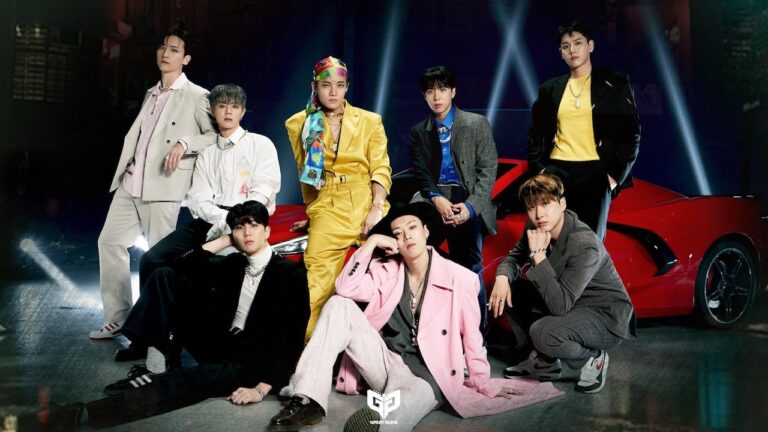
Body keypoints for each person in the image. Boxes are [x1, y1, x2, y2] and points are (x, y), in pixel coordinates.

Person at [268, 203, 562, 432]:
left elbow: (473, 339)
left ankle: (377, 425)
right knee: (338, 304)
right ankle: (307, 400)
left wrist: (483, 382)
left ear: (426, 232)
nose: (407, 235)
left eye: (412, 227)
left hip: (428, 375)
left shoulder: (460, 279)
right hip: (386, 364)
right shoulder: (385, 270)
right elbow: (345, 288)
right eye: (398, 232)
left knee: (401, 410)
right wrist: (371, 243)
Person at [40, 201, 309, 430]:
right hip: (223, 342)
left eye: (254, 226)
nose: (247, 233)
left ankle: (83, 414)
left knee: (183, 383)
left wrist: (262, 388)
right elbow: (180, 266)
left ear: (267, 231)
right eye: (240, 227)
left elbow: (292, 337)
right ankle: (154, 354)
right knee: (165, 276)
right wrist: (225, 240)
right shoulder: (235, 263)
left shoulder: (290, 274)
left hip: (250, 362)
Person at [118, 83, 281, 361]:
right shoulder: (207, 152)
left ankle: (174, 342)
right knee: (152, 260)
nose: (228, 111)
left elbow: (264, 188)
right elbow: (198, 199)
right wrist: (222, 219)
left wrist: (236, 222)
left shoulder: (260, 144)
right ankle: (145, 341)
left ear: (242, 111)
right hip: (210, 220)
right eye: (222, 106)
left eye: (234, 106)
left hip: (246, 222)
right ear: (213, 111)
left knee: (191, 273)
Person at [92, 25, 217, 339]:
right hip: (131, 183)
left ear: (186, 58)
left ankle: (157, 325)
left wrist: (184, 143)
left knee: (160, 257)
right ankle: (118, 317)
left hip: (163, 188)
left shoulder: (197, 96)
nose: (166, 53)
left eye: (174, 49)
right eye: (163, 47)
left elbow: (213, 135)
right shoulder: (152, 93)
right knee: (109, 242)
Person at [488, 174, 635, 394]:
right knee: (512, 290)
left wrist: (538, 255)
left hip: (604, 314)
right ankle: (545, 361)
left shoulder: (583, 243)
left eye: (546, 204)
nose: (539, 214)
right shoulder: (536, 227)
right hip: (570, 303)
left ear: (562, 204)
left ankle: (592, 358)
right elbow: (514, 258)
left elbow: (560, 306)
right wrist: (502, 278)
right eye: (532, 207)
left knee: (543, 333)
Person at [286, 55, 392, 342]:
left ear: (347, 87)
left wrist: (376, 208)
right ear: (315, 87)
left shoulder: (369, 121)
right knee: (316, 287)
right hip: (328, 204)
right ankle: (310, 355)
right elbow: (305, 174)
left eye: (340, 85)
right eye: (326, 85)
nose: (333, 92)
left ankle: (384, 350)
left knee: (387, 278)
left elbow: (381, 167)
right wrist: (314, 213)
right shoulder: (300, 123)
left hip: (366, 200)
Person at [527, 20, 640, 240]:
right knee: (546, 240)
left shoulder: (615, 83)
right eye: (566, 46)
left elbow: (631, 134)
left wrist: (614, 177)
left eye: (578, 43)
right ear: (561, 53)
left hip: (595, 173)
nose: (572, 50)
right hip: (557, 171)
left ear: (591, 46)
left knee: (589, 244)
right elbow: (535, 134)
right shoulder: (549, 89)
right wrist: (541, 171)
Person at [409, 65, 498, 337]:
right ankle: (429, 336)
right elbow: (422, 175)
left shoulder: (476, 124)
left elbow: (488, 171)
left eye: (443, 89)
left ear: (453, 92)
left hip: (468, 198)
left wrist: (470, 208)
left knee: (469, 269)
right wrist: (437, 199)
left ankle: (476, 338)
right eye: (430, 91)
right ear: (424, 96)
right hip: (434, 200)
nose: (437, 97)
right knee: (421, 263)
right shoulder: (419, 131)